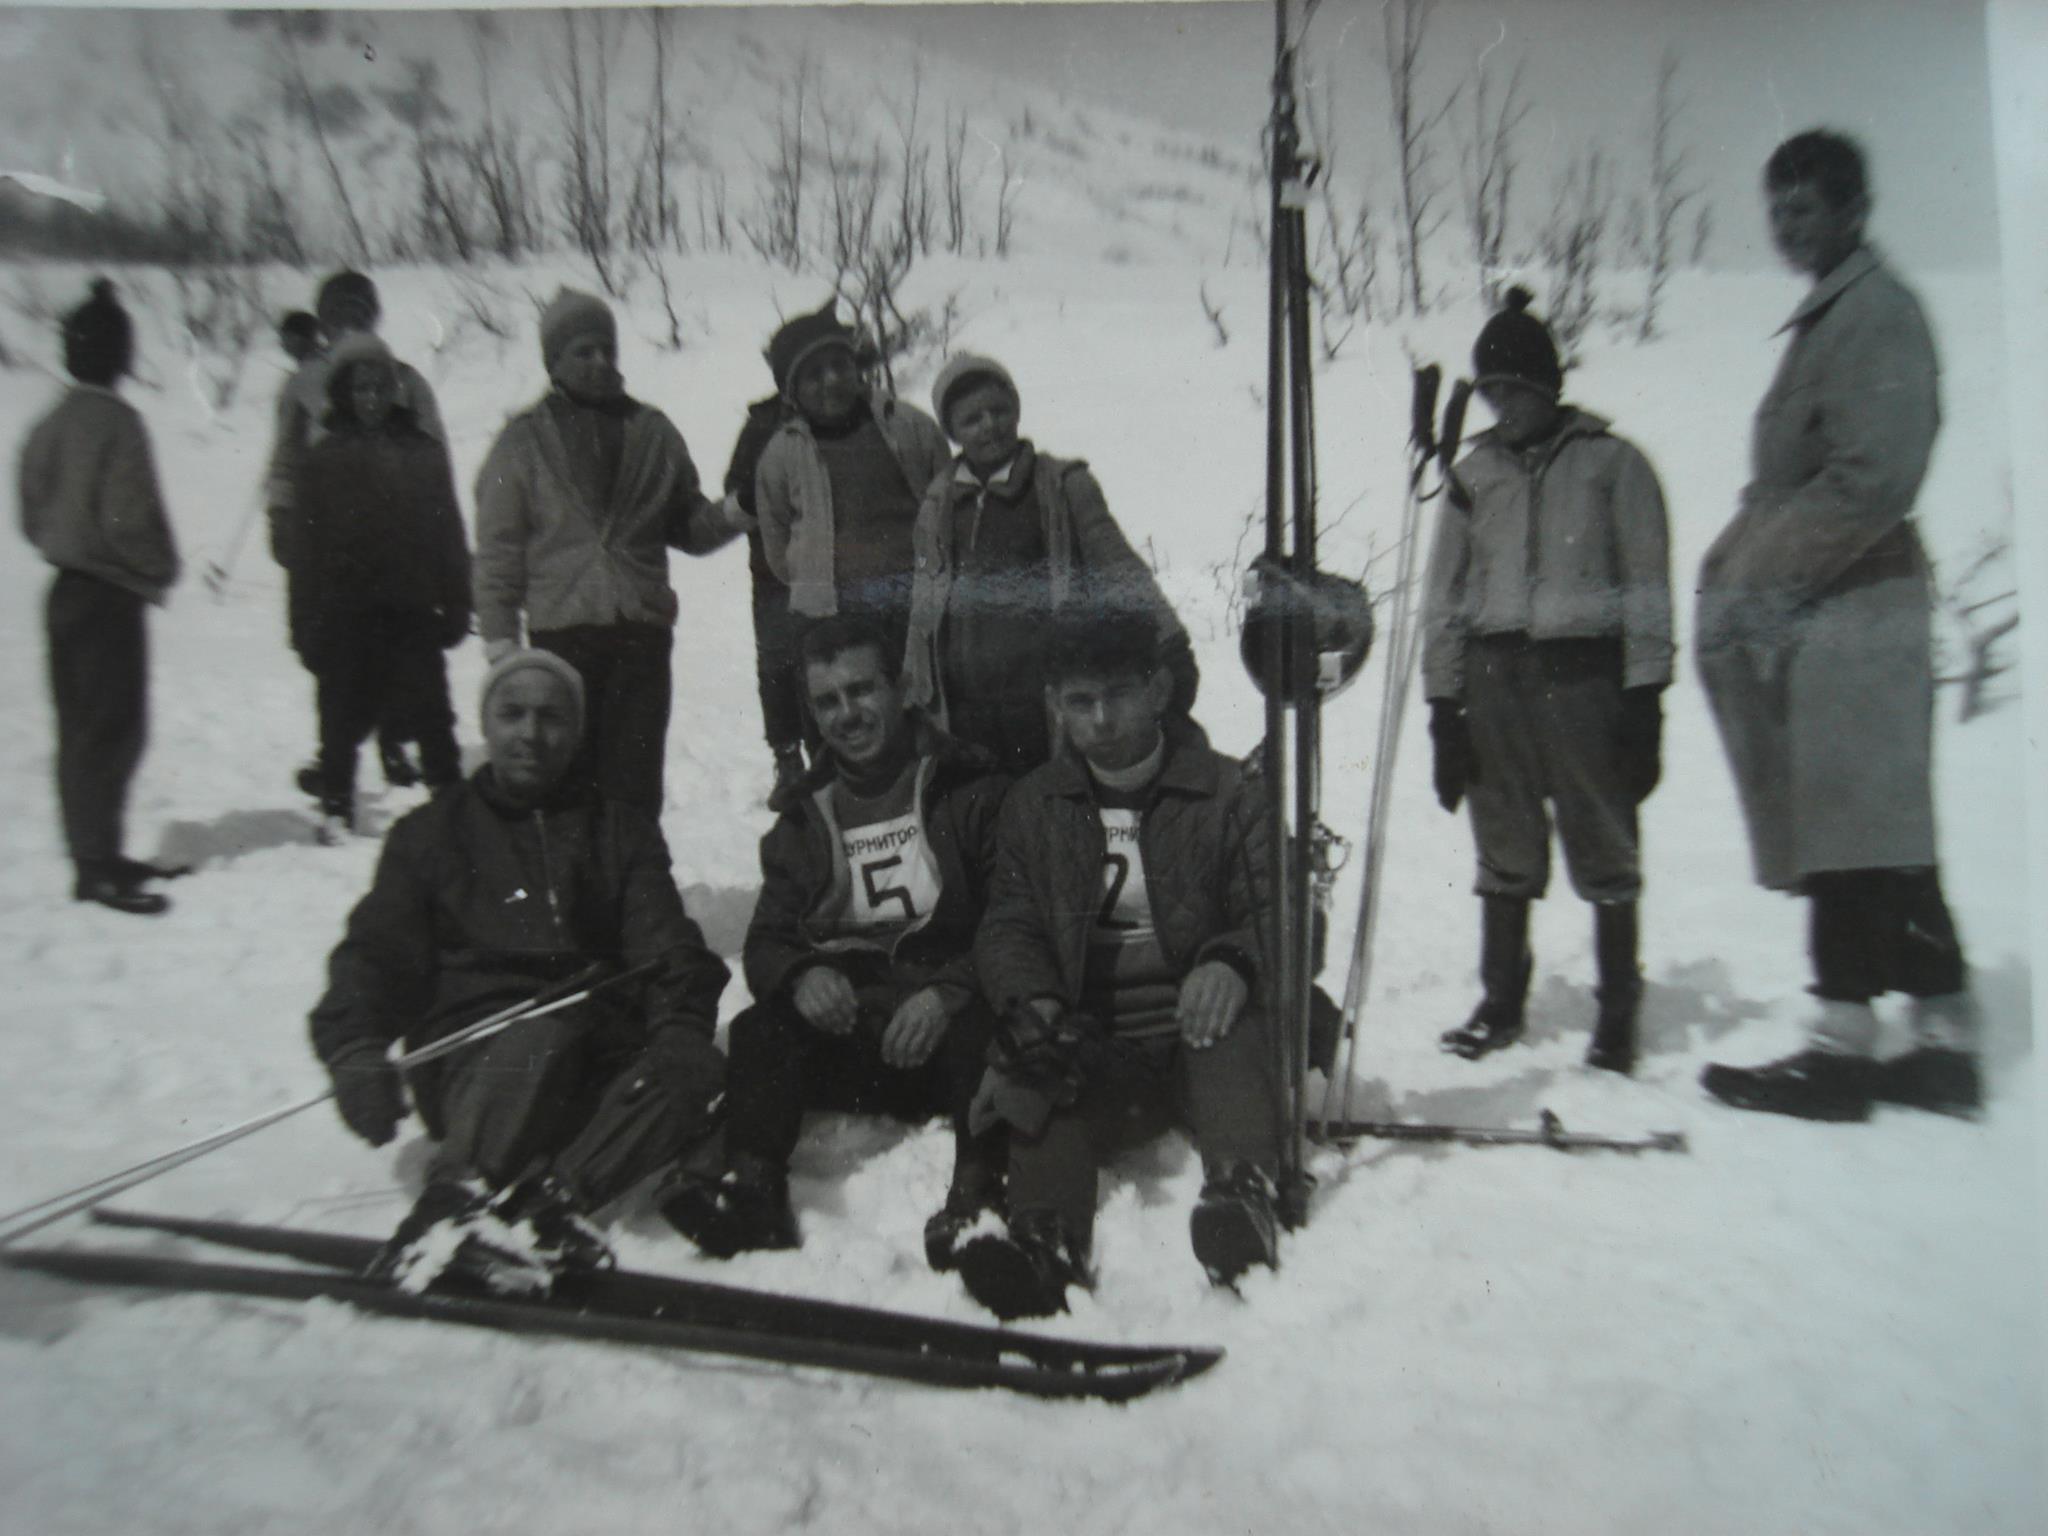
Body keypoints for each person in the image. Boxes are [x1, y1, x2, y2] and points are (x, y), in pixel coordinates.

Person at [1696, 130, 1977, 1122]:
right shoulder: (1833, 316)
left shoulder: (1873, 315)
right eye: (1775, 209)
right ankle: (1942, 1044)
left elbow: (1872, 479)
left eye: (1804, 208)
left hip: (1855, 603)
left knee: (1850, 829)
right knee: (1878, 827)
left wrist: (1758, 578)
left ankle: (1841, 1051)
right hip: (1834, 600)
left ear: (1853, 210)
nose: (1786, 226)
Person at [309, 649, 729, 1289]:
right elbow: (374, 954)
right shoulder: (431, 833)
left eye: (551, 718)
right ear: (486, 723)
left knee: (696, 1068)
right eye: (512, 714)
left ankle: (547, 1210)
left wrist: (679, 1028)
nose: (531, 733)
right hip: (477, 1066)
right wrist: (354, 1047)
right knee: (543, 1033)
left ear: (576, 731)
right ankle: (449, 1206)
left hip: (588, 1064)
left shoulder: (617, 831)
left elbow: (668, 946)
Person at [954, 610, 1282, 1320]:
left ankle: (1241, 1198)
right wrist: (1035, 1000)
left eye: (1119, 695)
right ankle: (1044, 1242)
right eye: (1081, 701)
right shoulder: (1035, 803)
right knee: (1041, 1062)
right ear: (1055, 705)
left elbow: (1281, 911)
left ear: (1157, 690)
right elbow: (1010, 924)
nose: (1101, 720)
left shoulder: (1229, 792)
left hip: (1201, 1026)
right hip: (1100, 1038)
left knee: (1229, 1024)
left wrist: (1232, 960)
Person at [663, 614, 1009, 1265]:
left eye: (862, 689)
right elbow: (766, 940)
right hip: (860, 1036)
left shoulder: (964, 787)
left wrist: (946, 993)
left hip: (948, 1035)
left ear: (901, 688)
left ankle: (978, 1198)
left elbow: (1011, 921)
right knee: (760, 1030)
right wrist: (801, 976)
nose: (847, 714)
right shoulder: (804, 815)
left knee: (993, 1032)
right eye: (827, 701)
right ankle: (754, 1190)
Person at [1419, 287, 1673, 1074]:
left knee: (1604, 844)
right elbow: (1443, 598)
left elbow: (1647, 587)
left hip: (1585, 677)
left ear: (1549, 386)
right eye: (1492, 393)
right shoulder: (1472, 475)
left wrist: (1645, 695)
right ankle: (1500, 1003)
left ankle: (1617, 1011)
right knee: (1504, 844)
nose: (1504, 407)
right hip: (1494, 679)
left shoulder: (1613, 464)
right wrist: (1443, 706)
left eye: (1517, 390)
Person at [473, 287, 746, 813]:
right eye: (584, 351)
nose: (600, 361)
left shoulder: (652, 432)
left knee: (635, 788)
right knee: (565, 783)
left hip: (640, 635)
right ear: (554, 361)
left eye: (607, 349)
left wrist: (737, 511)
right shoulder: (521, 442)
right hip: (560, 637)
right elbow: (498, 552)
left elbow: (689, 526)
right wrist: (501, 644)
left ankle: (634, 867)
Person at [902, 353, 1198, 776]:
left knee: (1047, 797)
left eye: (999, 411)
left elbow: (1118, 566)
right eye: (972, 419)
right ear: (952, 432)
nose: (989, 425)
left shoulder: (1061, 485)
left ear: (1016, 410)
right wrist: (915, 689)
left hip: (1041, 702)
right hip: (964, 705)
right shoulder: (939, 501)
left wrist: (1169, 642)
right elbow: (923, 603)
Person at [16, 279, 183, 916]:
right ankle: (95, 867)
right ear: (120, 355)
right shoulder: (118, 423)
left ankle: (99, 854)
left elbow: (30, 512)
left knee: (80, 730)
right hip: (111, 598)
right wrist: (160, 567)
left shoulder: (50, 422)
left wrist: (65, 543)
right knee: (114, 731)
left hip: (65, 591)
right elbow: (129, 518)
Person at [282, 333, 472, 842]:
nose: (370, 398)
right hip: (345, 614)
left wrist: (458, 601)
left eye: (379, 387)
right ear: (343, 392)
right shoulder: (322, 460)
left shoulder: (422, 453)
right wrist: (303, 624)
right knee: (339, 715)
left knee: (433, 712)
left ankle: (452, 806)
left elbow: (449, 533)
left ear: (395, 390)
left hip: (411, 609)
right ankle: (337, 809)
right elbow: (305, 554)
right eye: (360, 388)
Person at [266, 271, 446, 793]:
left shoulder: (406, 380)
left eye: (359, 309)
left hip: (396, 537)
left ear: (374, 315)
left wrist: (435, 530)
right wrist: (281, 515)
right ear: (323, 320)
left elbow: (432, 452)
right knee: (335, 653)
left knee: (398, 644)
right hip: (327, 539)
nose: (349, 320)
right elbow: (285, 458)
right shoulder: (303, 382)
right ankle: (335, 759)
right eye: (337, 311)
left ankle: (394, 742)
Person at [753, 302, 951, 642]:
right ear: (791, 391)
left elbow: (949, 500)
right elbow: (778, 544)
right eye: (814, 374)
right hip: (835, 615)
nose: (831, 380)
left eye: (840, 365)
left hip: (919, 602)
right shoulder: (782, 454)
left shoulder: (907, 425)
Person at [723, 378, 812, 810]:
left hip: (835, 564)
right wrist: (758, 498)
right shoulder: (762, 423)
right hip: (774, 568)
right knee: (778, 662)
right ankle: (788, 758)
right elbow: (734, 494)